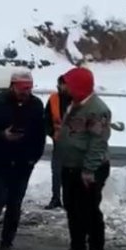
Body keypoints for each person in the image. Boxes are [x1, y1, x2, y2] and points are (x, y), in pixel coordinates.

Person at [0, 70, 47, 250]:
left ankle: (7, 244)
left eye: (30, 89)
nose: (27, 92)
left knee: (15, 204)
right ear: (13, 85)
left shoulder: (36, 105)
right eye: (23, 89)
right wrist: (2, 135)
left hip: (24, 162)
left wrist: (34, 158)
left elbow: (41, 134)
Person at [57, 66, 111, 250]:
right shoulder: (74, 104)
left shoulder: (97, 110)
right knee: (71, 206)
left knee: (88, 208)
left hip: (89, 168)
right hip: (70, 165)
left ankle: (96, 248)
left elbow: (98, 143)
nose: (65, 88)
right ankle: (77, 246)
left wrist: (89, 169)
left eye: (69, 85)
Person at [44, 75, 72, 209]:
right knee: (57, 171)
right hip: (58, 142)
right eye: (62, 84)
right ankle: (55, 199)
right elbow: (46, 120)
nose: (64, 87)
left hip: (74, 144)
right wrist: (52, 133)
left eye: (66, 84)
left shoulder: (77, 100)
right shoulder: (53, 99)